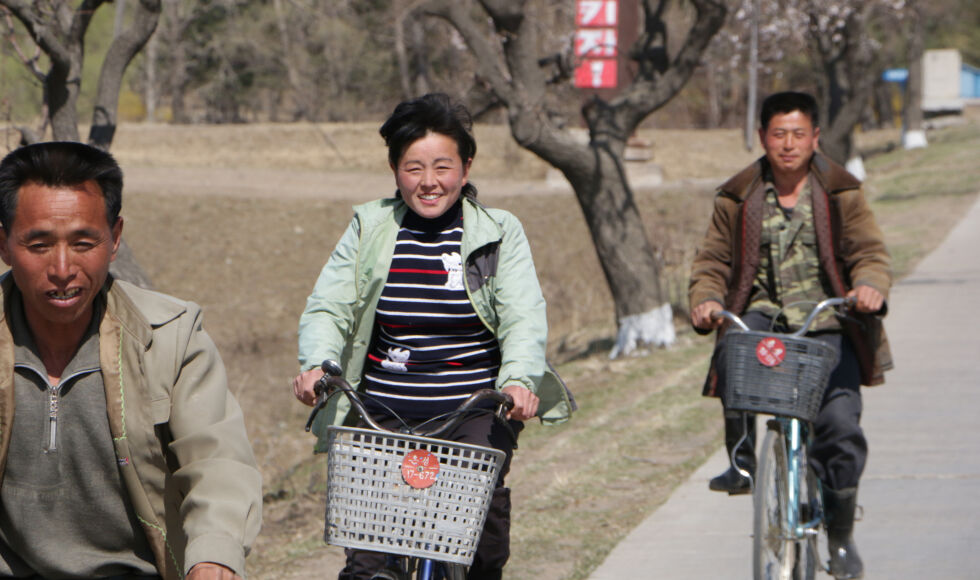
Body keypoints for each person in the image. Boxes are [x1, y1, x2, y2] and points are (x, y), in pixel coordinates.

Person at [292, 93, 572, 580]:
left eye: (441, 166)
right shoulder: (370, 226)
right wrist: (316, 363)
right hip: (381, 411)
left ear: (465, 167)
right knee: (367, 562)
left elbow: (523, 316)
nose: (428, 182)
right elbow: (329, 305)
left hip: (473, 413)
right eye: (412, 167)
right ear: (395, 170)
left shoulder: (499, 232)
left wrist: (519, 381)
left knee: (478, 543)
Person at [0, 141, 262, 579]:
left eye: (84, 242)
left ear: (115, 238)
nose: (63, 268)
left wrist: (214, 555)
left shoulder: (169, 337)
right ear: (4, 244)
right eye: (39, 244)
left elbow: (217, 461)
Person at [688, 91, 892, 579]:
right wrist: (707, 298)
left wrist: (869, 286)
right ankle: (742, 461)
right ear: (762, 137)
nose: (788, 143)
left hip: (828, 318)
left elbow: (869, 252)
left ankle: (840, 537)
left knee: (841, 429)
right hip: (761, 312)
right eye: (778, 133)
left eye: (798, 133)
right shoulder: (737, 195)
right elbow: (712, 261)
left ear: (815, 138)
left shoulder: (841, 190)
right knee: (735, 349)